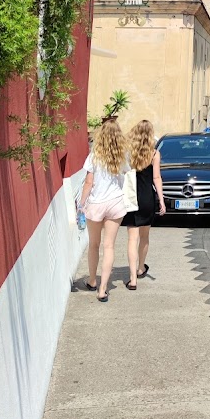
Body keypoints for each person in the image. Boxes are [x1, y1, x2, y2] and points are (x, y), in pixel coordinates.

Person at [78, 117, 129, 302]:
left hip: (96, 203)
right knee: (109, 246)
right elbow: (126, 173)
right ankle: (103, 289)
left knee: (94, 244)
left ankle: (92, 281)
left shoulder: (94, 156)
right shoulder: (121, 156)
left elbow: (89, 182)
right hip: (115, 203)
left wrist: (81, 203)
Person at [122, 120, 166, 289]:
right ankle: (141, 268)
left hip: (131, 198)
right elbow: (156, 178)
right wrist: (161, 200)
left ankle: (132, 279)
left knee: (132, 239)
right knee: (144, 236)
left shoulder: (129, 153)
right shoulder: (154, 154)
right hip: (147, 198)